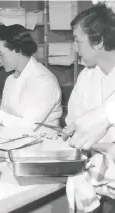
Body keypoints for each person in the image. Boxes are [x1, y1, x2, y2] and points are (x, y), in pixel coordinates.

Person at [60, 4, 115, 213]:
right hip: (94, 180)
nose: (75, 48)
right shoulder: (86, 76)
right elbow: (73, 123)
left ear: (99, 41)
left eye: (77, 40)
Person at [0, 24, 62, 129]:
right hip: (16, 139)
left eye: (1, 54)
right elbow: (6, 119)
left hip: (42, 141)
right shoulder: (10, 79)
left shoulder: (44, 81)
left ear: (18, 51)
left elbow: (28, 127)